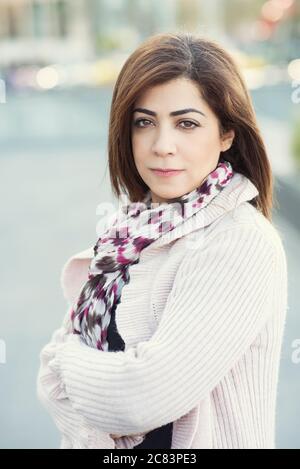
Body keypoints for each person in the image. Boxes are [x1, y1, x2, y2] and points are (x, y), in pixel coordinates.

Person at [36, 32, 288, 449]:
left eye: (186, 123)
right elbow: (50, 391)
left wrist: (63, 361)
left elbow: (142, 398)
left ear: (226, 134)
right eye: (144, 122)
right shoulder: (127, 235)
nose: (162, 146)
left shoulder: (240, 241)